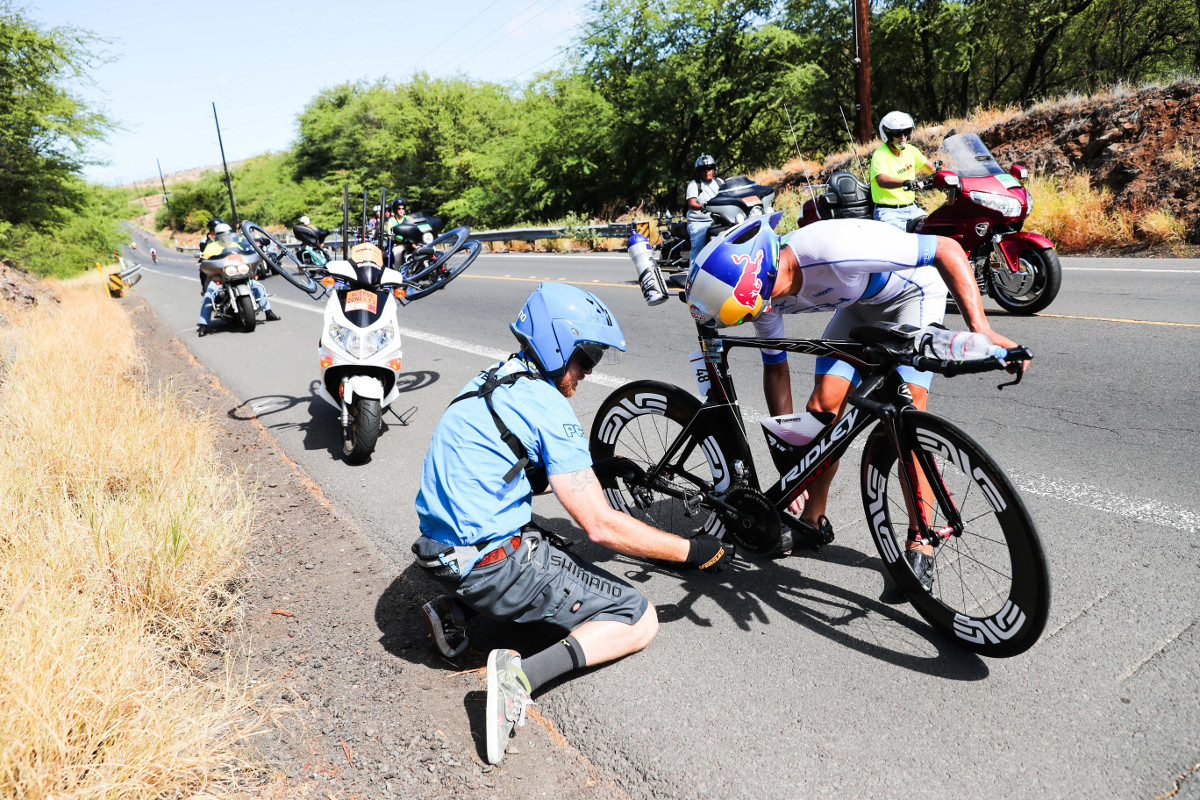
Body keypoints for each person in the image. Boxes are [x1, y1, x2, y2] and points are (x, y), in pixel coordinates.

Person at [412, 282, 732, 766]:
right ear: (559, 343)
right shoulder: (548, 405)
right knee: (637, 617)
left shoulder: (496, 379)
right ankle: (518, 679)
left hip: (440, 553)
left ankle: (452, 611)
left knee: (551, 541)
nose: (588, 370)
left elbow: (522, 472)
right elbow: (602, 526)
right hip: (492, 565)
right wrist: (692, 550)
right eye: (586, 356)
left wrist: (599, 470)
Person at [685, 215, 1021, 587]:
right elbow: (776, 370)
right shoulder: (765, 299)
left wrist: (982, 329)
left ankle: (920, 539)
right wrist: (790, 466)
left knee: (905, 421)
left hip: (912, 297)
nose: (764, 312)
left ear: (764, 274)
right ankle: (812, 520)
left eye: (762, 303)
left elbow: (948, 248)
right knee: (822, 410)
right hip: (858, 305)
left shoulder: (833, 250)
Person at [196, 223, 280, 336]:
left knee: (257, 286)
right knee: (209, 295)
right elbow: (204, 258)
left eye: (227, 234)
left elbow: (247, 251)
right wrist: (202, 259)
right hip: (221, 278)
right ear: (218, 236)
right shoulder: (212, 247)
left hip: (239, 273)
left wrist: (254, 252)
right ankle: (203, 325)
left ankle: (269, 312)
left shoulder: (235, 244)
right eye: (222, 235)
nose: (226, 237)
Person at [869, 111, 934, 231]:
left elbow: (932, 169)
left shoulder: (911, 150)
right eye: (898, 133)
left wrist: (951, 177)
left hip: (912, 209)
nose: (903, 136)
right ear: (887, 135)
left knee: (934, 228)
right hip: (888, 212)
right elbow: (881, 180)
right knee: (900, 241)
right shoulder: (880, 154)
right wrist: (905, 182)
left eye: (907, 132)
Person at [685, 154, 725, 266]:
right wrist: (703, 207)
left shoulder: (720, 183)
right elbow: (692, 203)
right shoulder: (694, 184)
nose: (707, 171)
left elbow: (728, 196)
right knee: (698, 245)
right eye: (704, 169)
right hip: (699, 222)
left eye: (709, 168)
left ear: (713, 169)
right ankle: (692, 275)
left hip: (718, 221)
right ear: (699, 171)